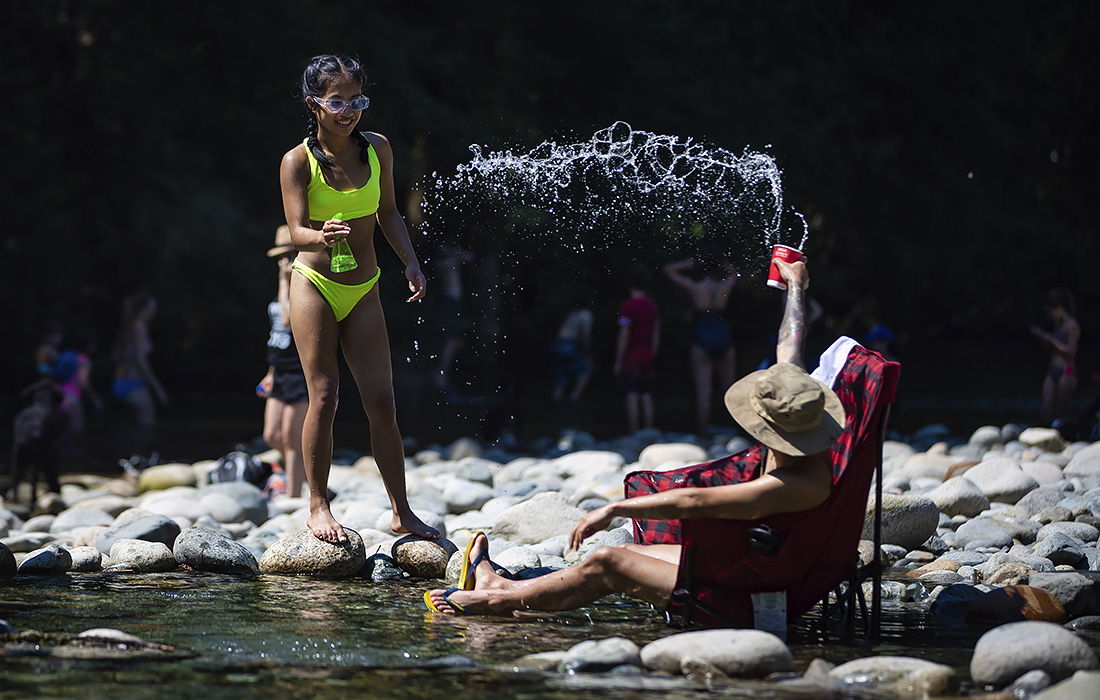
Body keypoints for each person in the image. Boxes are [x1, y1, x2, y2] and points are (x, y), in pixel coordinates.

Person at [425, 259, 845, 618]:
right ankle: (500, 585)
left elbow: (692, 502)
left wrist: (613, 509)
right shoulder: (802, 420)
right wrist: (795, 286)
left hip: (749, 589)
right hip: (750, 563)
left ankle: (498, 602)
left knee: (609, 559)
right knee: (607, 557)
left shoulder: (793, 483)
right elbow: (790, 347)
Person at [279, 54, 438, 543]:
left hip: (365, 287)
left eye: (356, 101)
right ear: (314, 104)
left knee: (383, 402)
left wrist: (410, 260)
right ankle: (317, 505)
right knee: (324, 396)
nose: (348, 111)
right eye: (336, 101)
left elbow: (389, 212)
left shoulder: (378, 149)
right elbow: (295, 230)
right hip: (315, 285)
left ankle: (401, 512)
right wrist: (319, 235)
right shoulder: (296, 161)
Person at [257, 226, 309, 498]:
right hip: (279, 371)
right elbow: (276, 334)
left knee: (291, 438)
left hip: (299, 373)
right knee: (271, 435)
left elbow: (288, 322)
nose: (281, 263)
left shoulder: (300, 285)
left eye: (285, 257)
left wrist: (284, 281)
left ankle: (293, 495)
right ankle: (296, 473)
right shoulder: (283, 285)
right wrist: (270, 372)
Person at [663, 257, 738, 436]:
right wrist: (722, 264)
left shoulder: (696, 288)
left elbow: (668, 269)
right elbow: (734, 273)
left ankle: (702, 433)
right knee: (731, 389)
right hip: (722, 334)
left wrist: (692, 262)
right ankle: (739, 429)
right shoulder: (724, 286)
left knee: (703, 392)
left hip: (702, 336)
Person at [111, 291, 168, 427]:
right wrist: (158, 388)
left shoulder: (128, 327)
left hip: (120, 382)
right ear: (144, 308)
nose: (155, 310)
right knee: (146, 427)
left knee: (130, 427)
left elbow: (114, 356)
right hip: (134, 383)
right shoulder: (140, 327)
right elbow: (141, 361)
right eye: (153, 306)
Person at [614, 265, 660, 433]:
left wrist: (619, 360)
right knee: (646, 393)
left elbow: (624, 334)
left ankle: (634, 431)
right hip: (648, 353)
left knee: (632, 393)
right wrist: (653, 353)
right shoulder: (652, 306)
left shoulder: (628, 305)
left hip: (632, 354)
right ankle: (648, 430)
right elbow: (656, 333)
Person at [1032, 288, 1080, 430]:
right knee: (1046, 411)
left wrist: (1051, 339)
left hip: (1067, 371)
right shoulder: (1057, 325)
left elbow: (1071, 351)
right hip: (1052, 370)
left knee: (1060, 414)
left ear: (1059, 307)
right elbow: (1053, 350)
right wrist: (1043, 339)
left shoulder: (1071, 325)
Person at [433, 242, 475, 393]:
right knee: (452, 340)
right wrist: (453, 250)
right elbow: (468, 256)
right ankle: (440, 374)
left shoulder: (450, 262)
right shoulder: (444, 264)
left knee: (457, 341)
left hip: (454, 303)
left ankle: (442, 373)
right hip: (450, 303)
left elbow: (470, 257)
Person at [551, 302, 594, 404]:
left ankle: (555, 404)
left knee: (560, 377)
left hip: (558, 345)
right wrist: (589, 355)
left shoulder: (573, 313)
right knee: (587, 368)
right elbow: (585, 338)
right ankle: (574, 397)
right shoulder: (586, 315)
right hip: (569, 345)